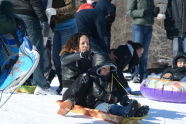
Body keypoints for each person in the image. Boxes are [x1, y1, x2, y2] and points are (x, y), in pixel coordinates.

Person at [58, 53, 149, 117]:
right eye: (104, 69)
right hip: (89, 101)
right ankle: (125, 111)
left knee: (109, 106)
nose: (107, 71)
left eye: (109, 68)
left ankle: (133, 111)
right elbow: (95, 90)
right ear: (98, 68)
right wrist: (108, 97)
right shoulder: (91, 77)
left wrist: (125, 100)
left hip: (101, 101)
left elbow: (120, 89)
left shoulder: (111, 76)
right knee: (108, 107)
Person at [7, 0, 55, 94]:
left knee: (17, 49)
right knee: (35, 50)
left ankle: (15, 81)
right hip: (27, 16)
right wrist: (44, 20)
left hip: (11, 15)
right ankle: (40, 84)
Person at [46, 0, 78, 94]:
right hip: (57, 28)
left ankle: (68, 85)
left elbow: (71, 8)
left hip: (69, 26)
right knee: (56, 57)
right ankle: (62, 83)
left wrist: (56, 11)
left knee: (66, 56)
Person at [127, 0, 160, 83]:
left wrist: (154, 12)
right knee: (137, 52)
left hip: (149, 27)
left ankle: (143, 76)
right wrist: (143, 12)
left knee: (144, 54)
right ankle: (135, 74)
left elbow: (151, 11)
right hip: (138, 27)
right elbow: (129, 12)